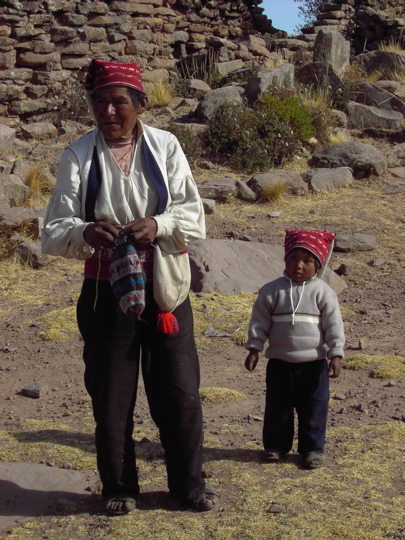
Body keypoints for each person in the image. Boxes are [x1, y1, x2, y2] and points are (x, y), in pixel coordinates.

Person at [42, 58, 218, 515]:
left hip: (165, 291)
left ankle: (189, 485)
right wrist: (85, 233)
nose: (108, 111)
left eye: (119, 101)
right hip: (106, 293)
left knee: (179, 391)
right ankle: (119, 486)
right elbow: (54, 229)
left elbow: (193, 216)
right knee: (112, 396)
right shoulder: (78, 155)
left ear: (140, 104)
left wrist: (157, 224)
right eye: (99, 102)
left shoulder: (166, 146)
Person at [244, 229, 345, 469]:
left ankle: (312, 450)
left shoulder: (323, 292)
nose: (298, 265)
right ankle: (276, 447)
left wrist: (336, 353)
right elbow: (259, 322)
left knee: (314, 407)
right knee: (278, 408)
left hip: (314, 365)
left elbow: (333, 325)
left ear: (318, 265)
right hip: (279, 363)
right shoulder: (271, 290)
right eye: (292, 258)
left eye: (307, 260)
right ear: (285, 259)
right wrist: (254, 348)